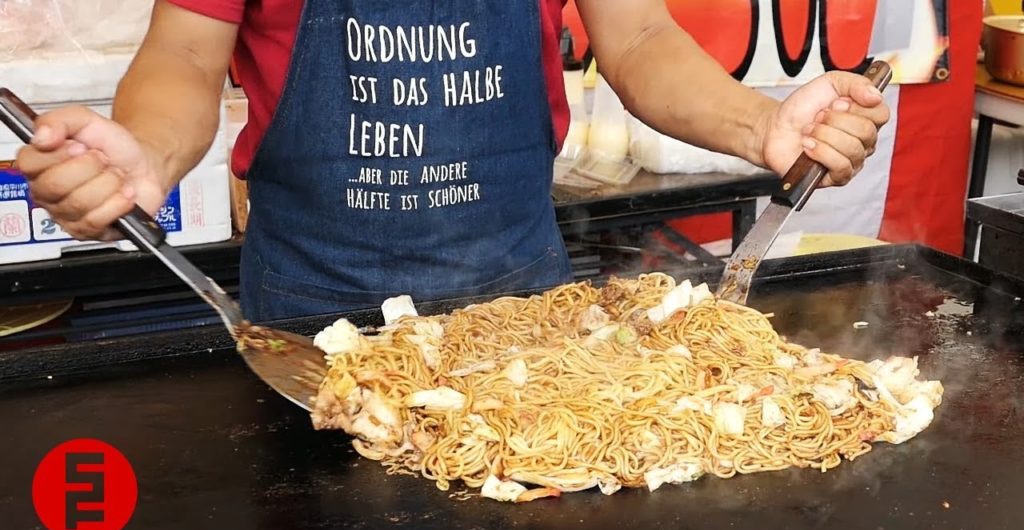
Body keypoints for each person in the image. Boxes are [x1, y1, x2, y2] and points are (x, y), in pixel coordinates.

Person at [16, 0, 889, 322]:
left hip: (524, 314)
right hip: (308, 322)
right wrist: (148, 157)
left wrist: (764, 125)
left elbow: (643, 37)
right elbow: (184, 60)